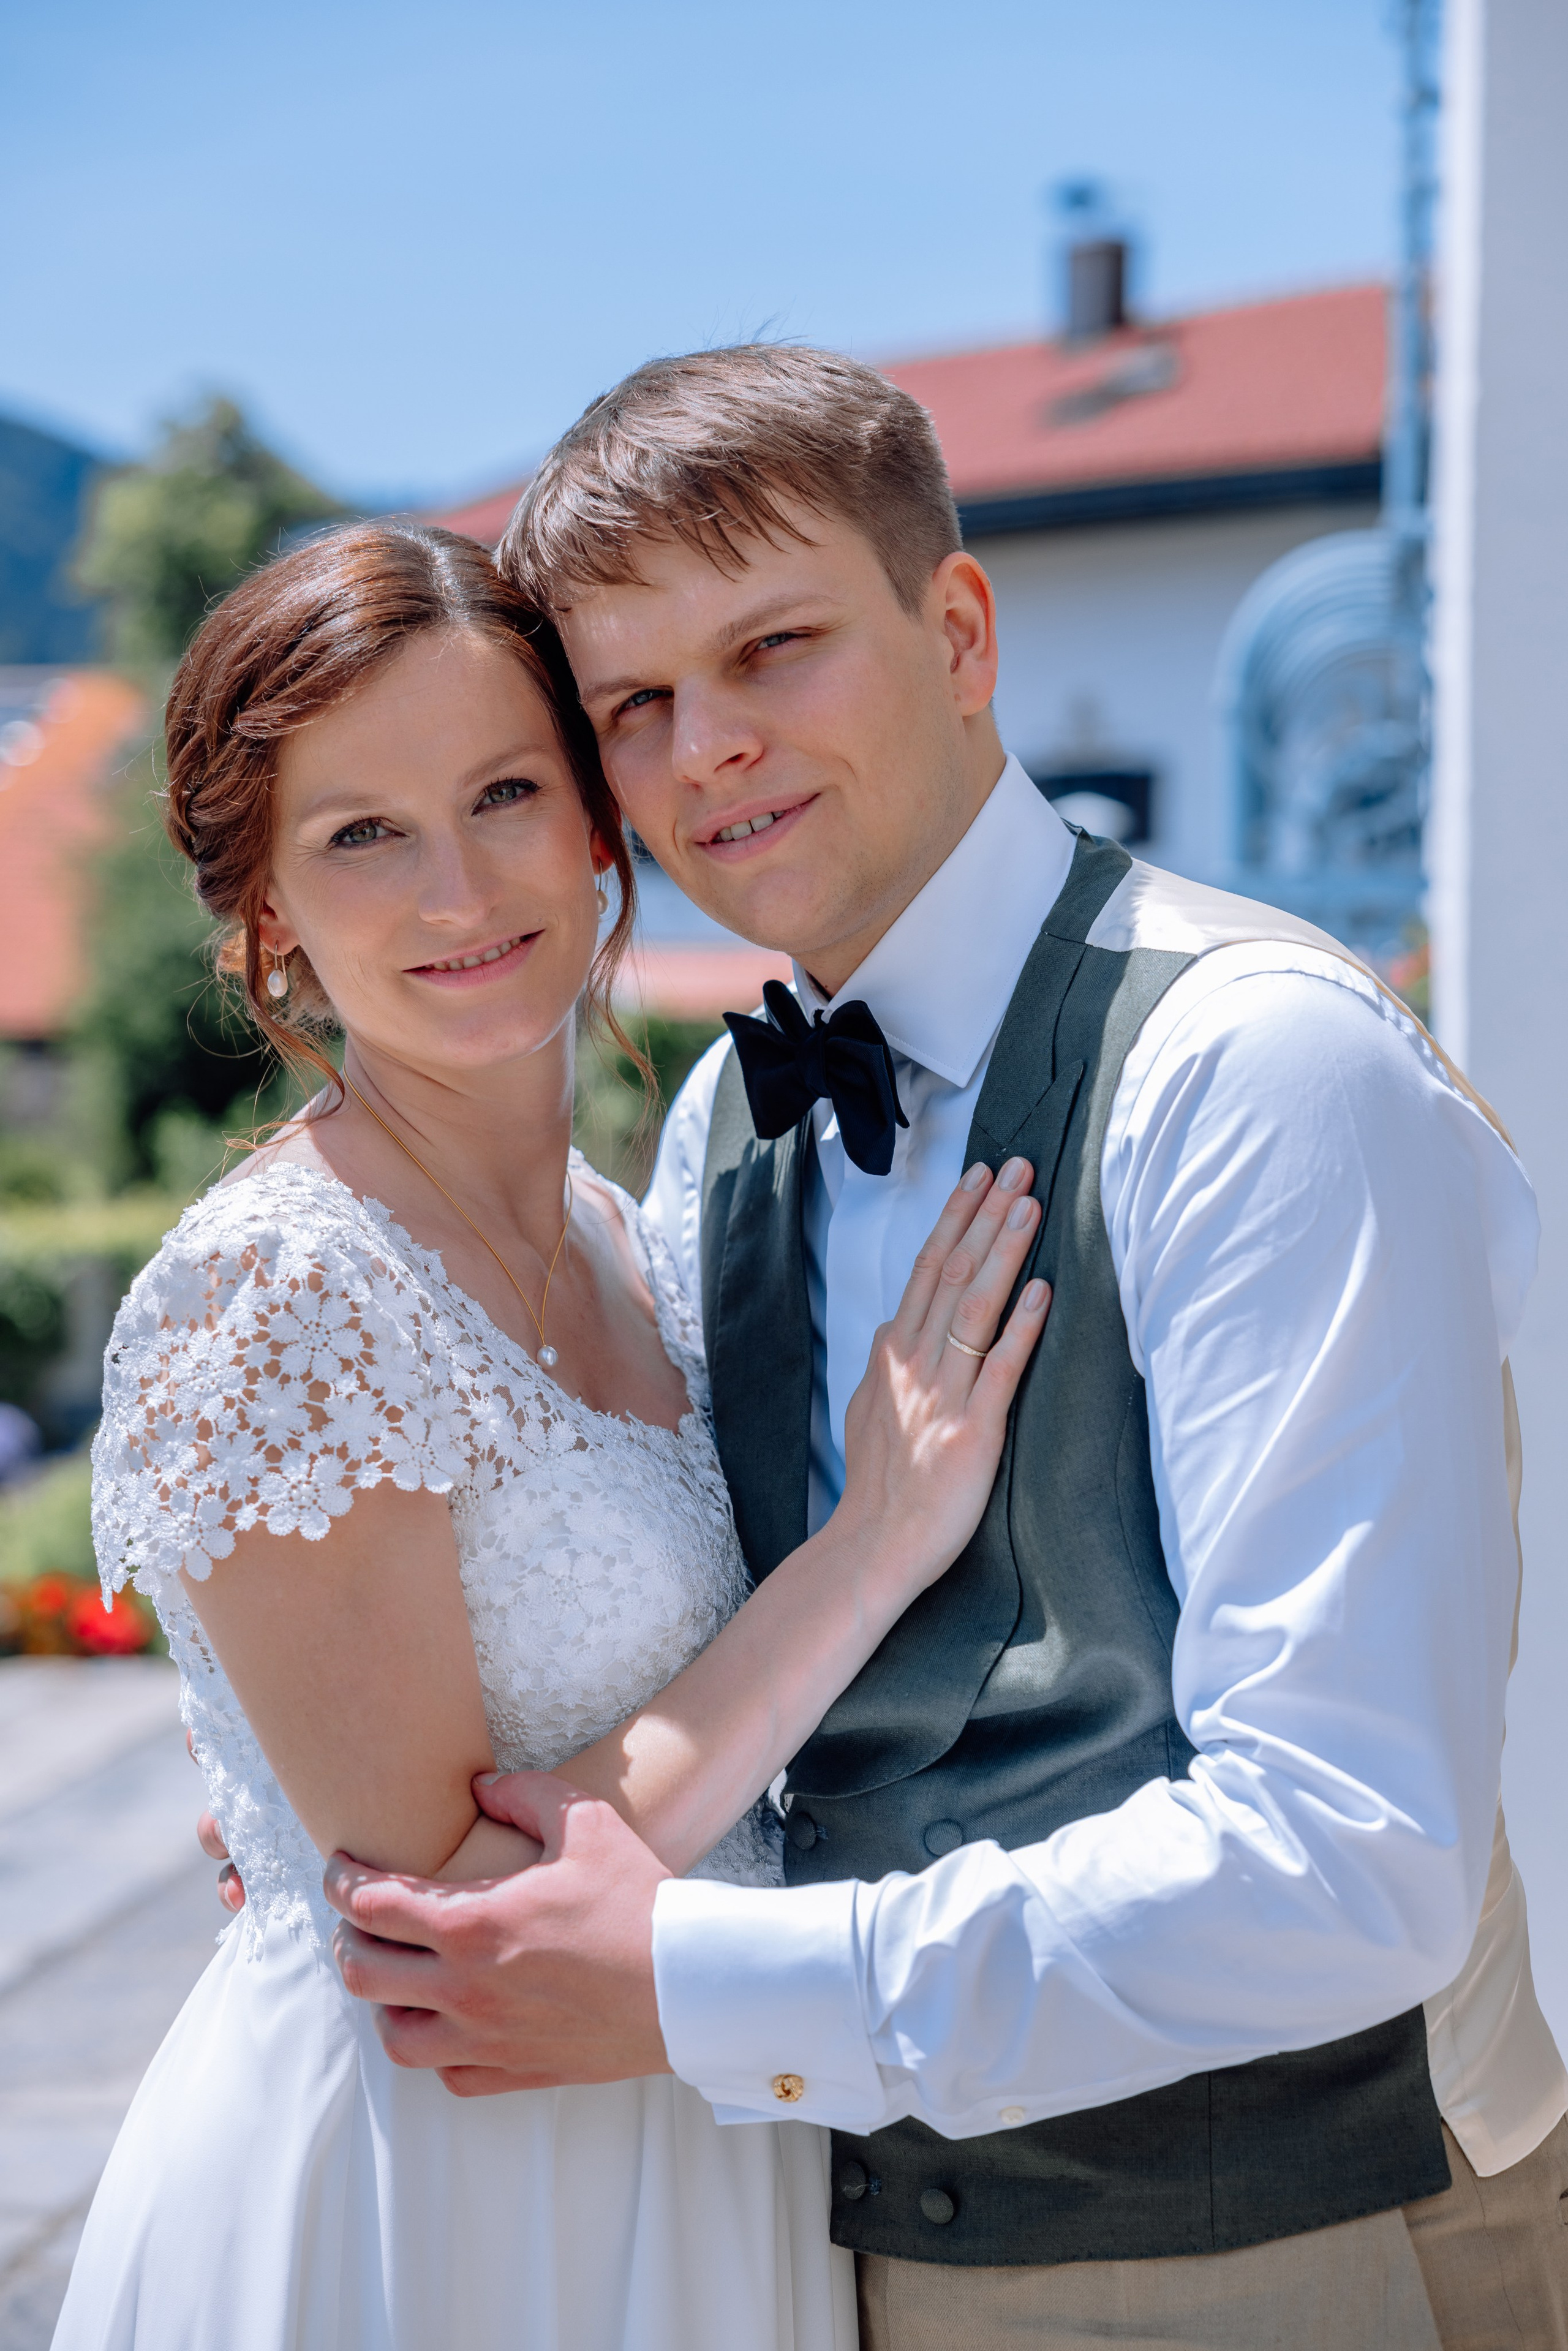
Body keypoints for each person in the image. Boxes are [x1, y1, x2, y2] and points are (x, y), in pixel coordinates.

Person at [314, 348, 1568, 2349]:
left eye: (775, 648)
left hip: (1296, 2255)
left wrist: (705, 1990)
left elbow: (1352, 1853)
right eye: (635, 704)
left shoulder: (1255, 1068)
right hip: (815, 2255)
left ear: (959, 631)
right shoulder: (726, 1136)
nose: (708, 745)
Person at [51, 518, 1055, 2351]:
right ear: (266, 913)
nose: (461, 888)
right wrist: (868, 1551)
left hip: (711, 2128)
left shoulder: (646, 1236)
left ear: (600, 826)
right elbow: (451, 1926)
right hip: (440, 2188)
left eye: (506, 791)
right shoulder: (278, 1294)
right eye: (363, 834)